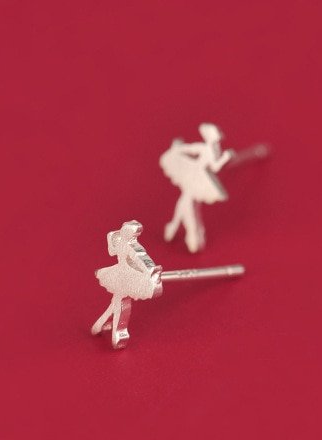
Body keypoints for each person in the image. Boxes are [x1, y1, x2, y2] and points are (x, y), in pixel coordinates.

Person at [160, 123, 233, 252]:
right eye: (215, 133)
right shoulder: (204, 148)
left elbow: (214, 167)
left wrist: (224, 158)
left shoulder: (214, 149)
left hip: (200, 177)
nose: (218, 135)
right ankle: (187, 232)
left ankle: (176, 227)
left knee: (186, 200)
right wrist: (178, 147)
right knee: (187, 200)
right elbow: (190, 149)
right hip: (194, 175)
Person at [91, 221, 163, 349]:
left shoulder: (132, 246)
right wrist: (112, 236)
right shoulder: (122, 242)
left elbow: (141, 259)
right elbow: (112, 251)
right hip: (121, 275)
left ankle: (106, 327)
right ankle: (116, 331)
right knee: (120, 300)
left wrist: (150, 270)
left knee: (118, 300)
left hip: (126, 276)